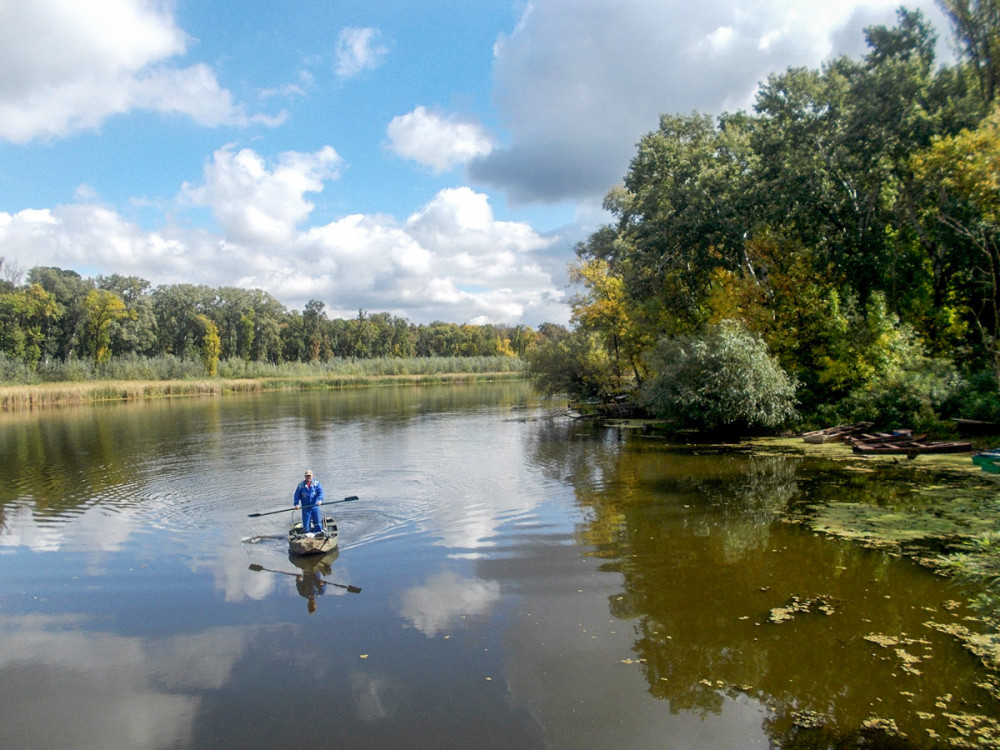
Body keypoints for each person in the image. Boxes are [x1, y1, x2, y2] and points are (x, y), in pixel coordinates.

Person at [293, 469, 324, 533]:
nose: (308, 477)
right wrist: (296, 504)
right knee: (306, 525)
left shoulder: (317, 483)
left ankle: (318, 533)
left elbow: (321, 492)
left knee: (317, 522)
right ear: (305, 477)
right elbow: (296, 495)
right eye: (307, 476)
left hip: (315, 506)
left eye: (309, 476)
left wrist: (320, 500)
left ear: (312, 476)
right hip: (305, 508)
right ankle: (307, 535)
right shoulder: (300, 486)